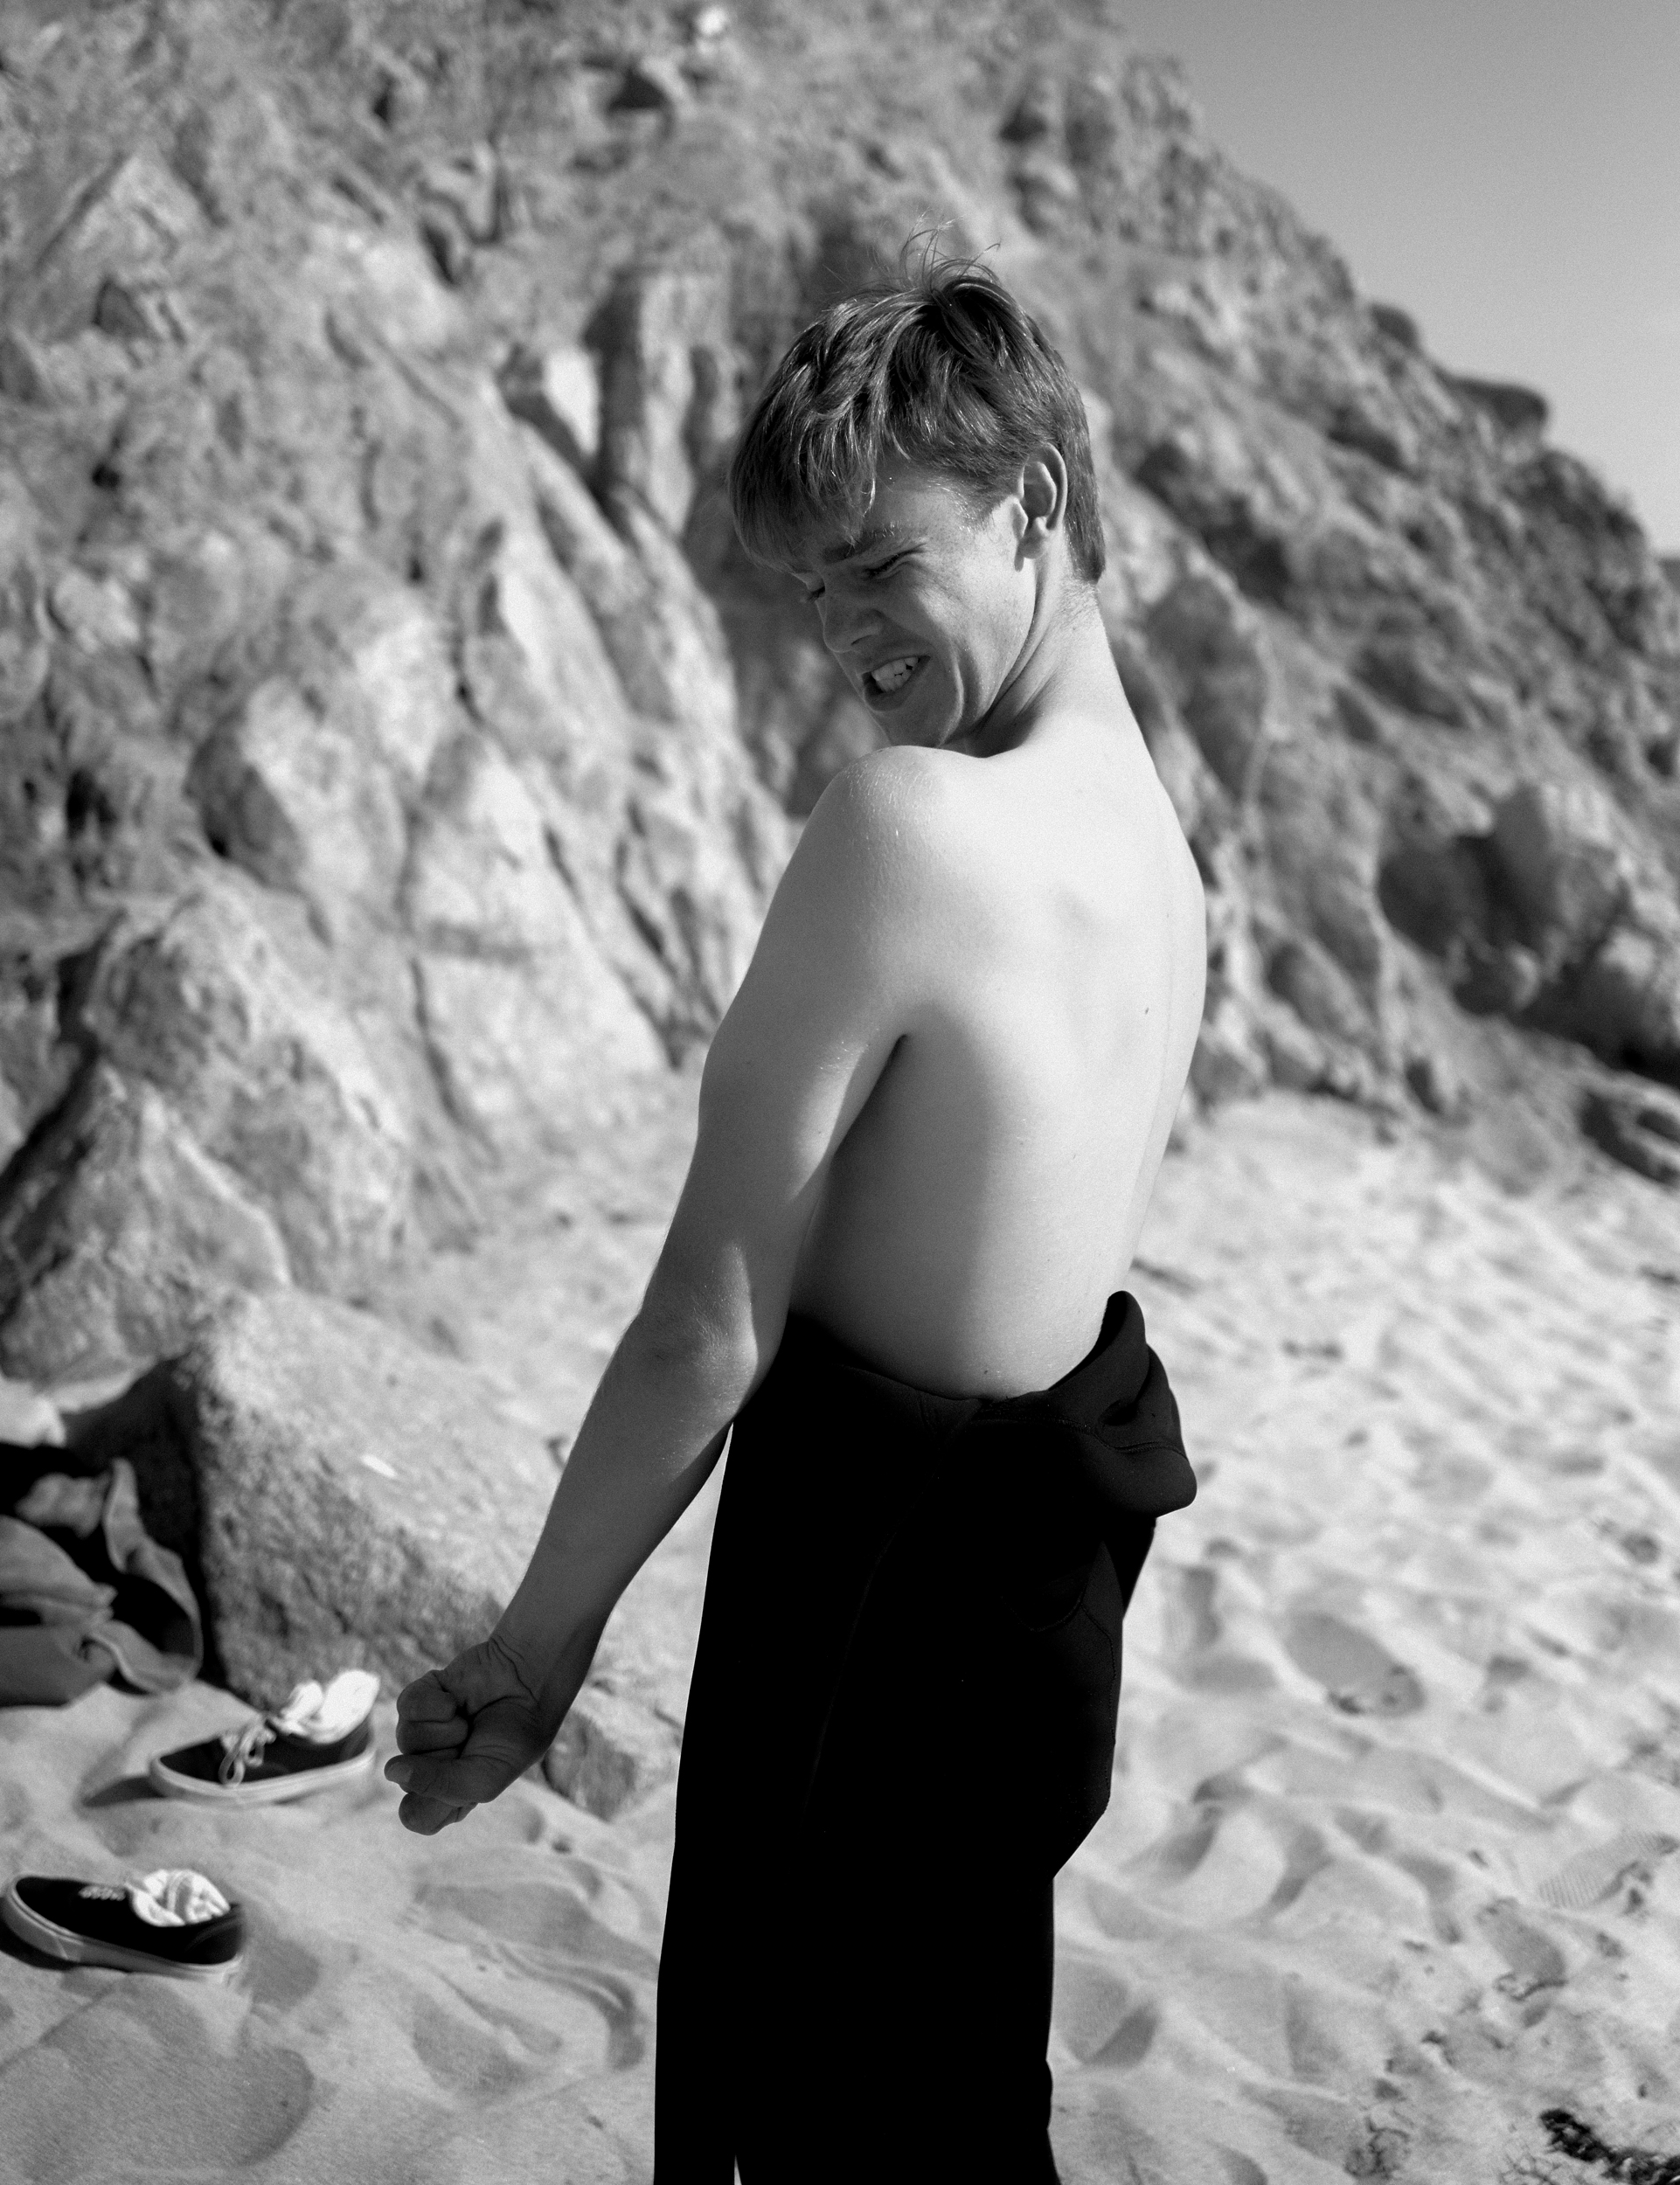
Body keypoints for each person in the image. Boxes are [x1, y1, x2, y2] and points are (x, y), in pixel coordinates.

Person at [386, 251, 1207, 2182]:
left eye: (877, 561)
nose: (839, 629)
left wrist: (535, 1653)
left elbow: (708, 1317)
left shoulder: (911, 825)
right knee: (955, 2107)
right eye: (809, 584)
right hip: (1034, 1620)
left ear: (1032, 501)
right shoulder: (1160, 858)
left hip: (878, 1608)